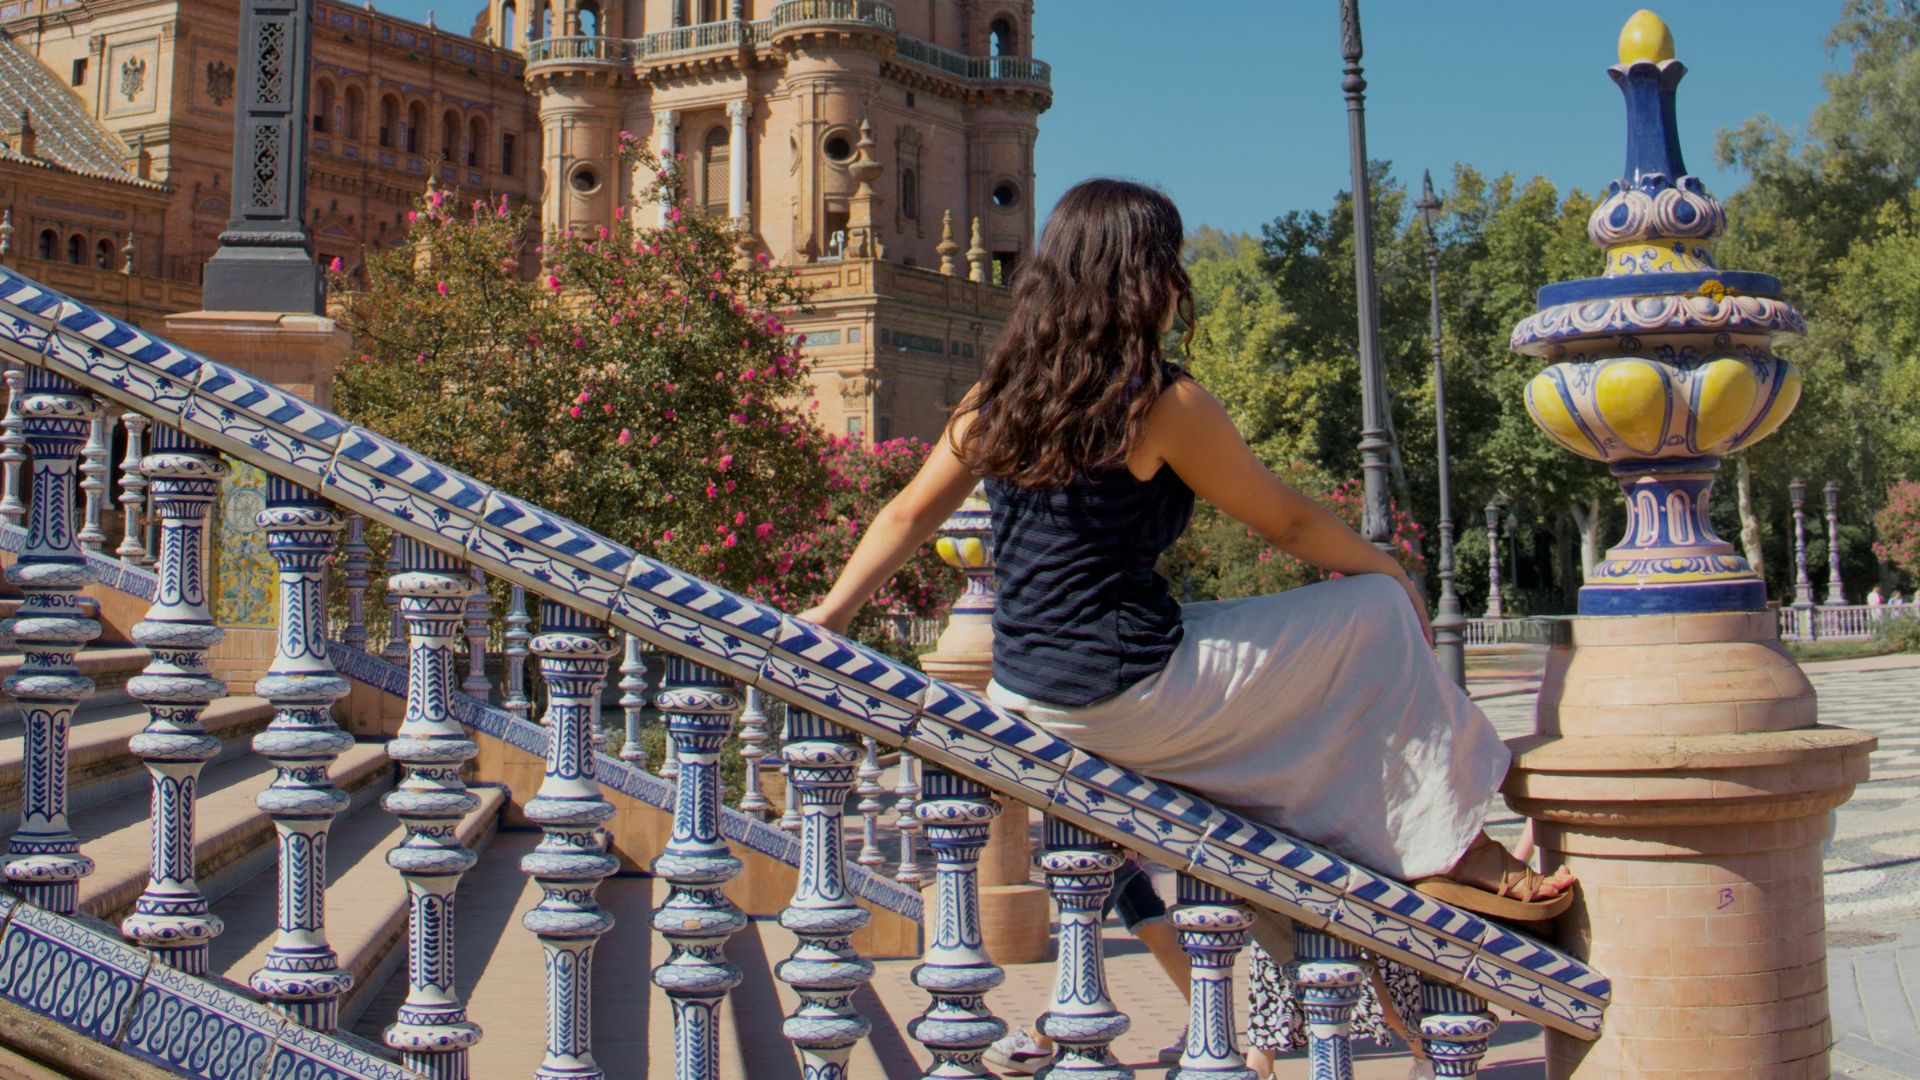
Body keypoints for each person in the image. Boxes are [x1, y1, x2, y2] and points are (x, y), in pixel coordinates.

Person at [797, 178, 1571, 932]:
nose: (1180, 281)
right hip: (1122, 692)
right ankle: (1463, 846)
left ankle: (1411, 837)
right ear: (1140, 279)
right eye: (1169, 262)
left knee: (1266, 638)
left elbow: (905, 514)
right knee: (1374, 614)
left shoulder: (996, 397)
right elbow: (1289, 525)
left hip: (1030, 689)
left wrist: (831, 614)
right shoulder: (1158, 403)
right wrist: (1391, 568)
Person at [985, 858, 1190, 1073]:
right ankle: (1206, 1022)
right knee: (1148, 918)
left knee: (1080, 922)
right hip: (1115, 837)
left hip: (1103, 840)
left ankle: (1039, 1041)